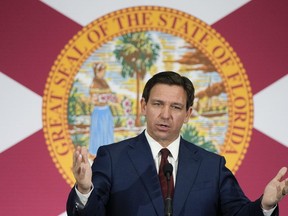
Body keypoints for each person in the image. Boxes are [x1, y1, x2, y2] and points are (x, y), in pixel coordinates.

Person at [67, 71, 288, 216]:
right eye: (157, 104)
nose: (165, 114)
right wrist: (85, 189)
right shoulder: (113, 158)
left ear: (188, 113)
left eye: (175, 107)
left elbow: (240, 214)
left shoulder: (212, 166)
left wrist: (265, 206)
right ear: (143, 106)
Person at [88, 62, 116, 160]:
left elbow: (109, 95)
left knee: (106, 131)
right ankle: (95, 153)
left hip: (106, 111)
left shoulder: (104, 82)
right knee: (98, 132)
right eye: (101, 71)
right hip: (98, 111)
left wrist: (112, 99)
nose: (103, 73)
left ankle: (108, 153)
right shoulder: (94, 83)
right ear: (97, 72)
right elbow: (93, 99)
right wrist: (99, 99)